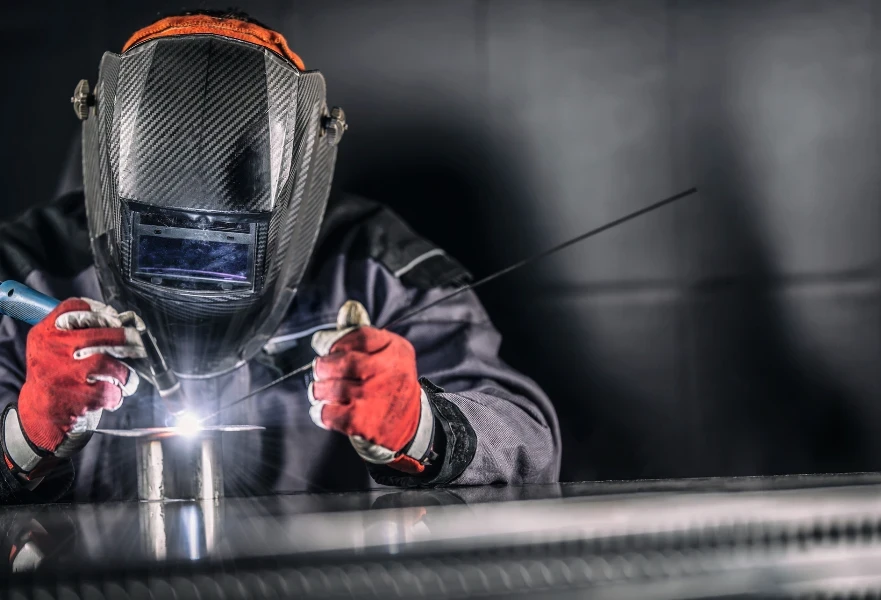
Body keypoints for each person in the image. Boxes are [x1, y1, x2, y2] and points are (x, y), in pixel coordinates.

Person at [0, 10, 559, 503]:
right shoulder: (23, 263)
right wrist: (26, 431)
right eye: (170, 241)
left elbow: (529, 443)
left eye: (224, 251)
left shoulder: (377, 264)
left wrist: (420, 427)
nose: (199, 269)